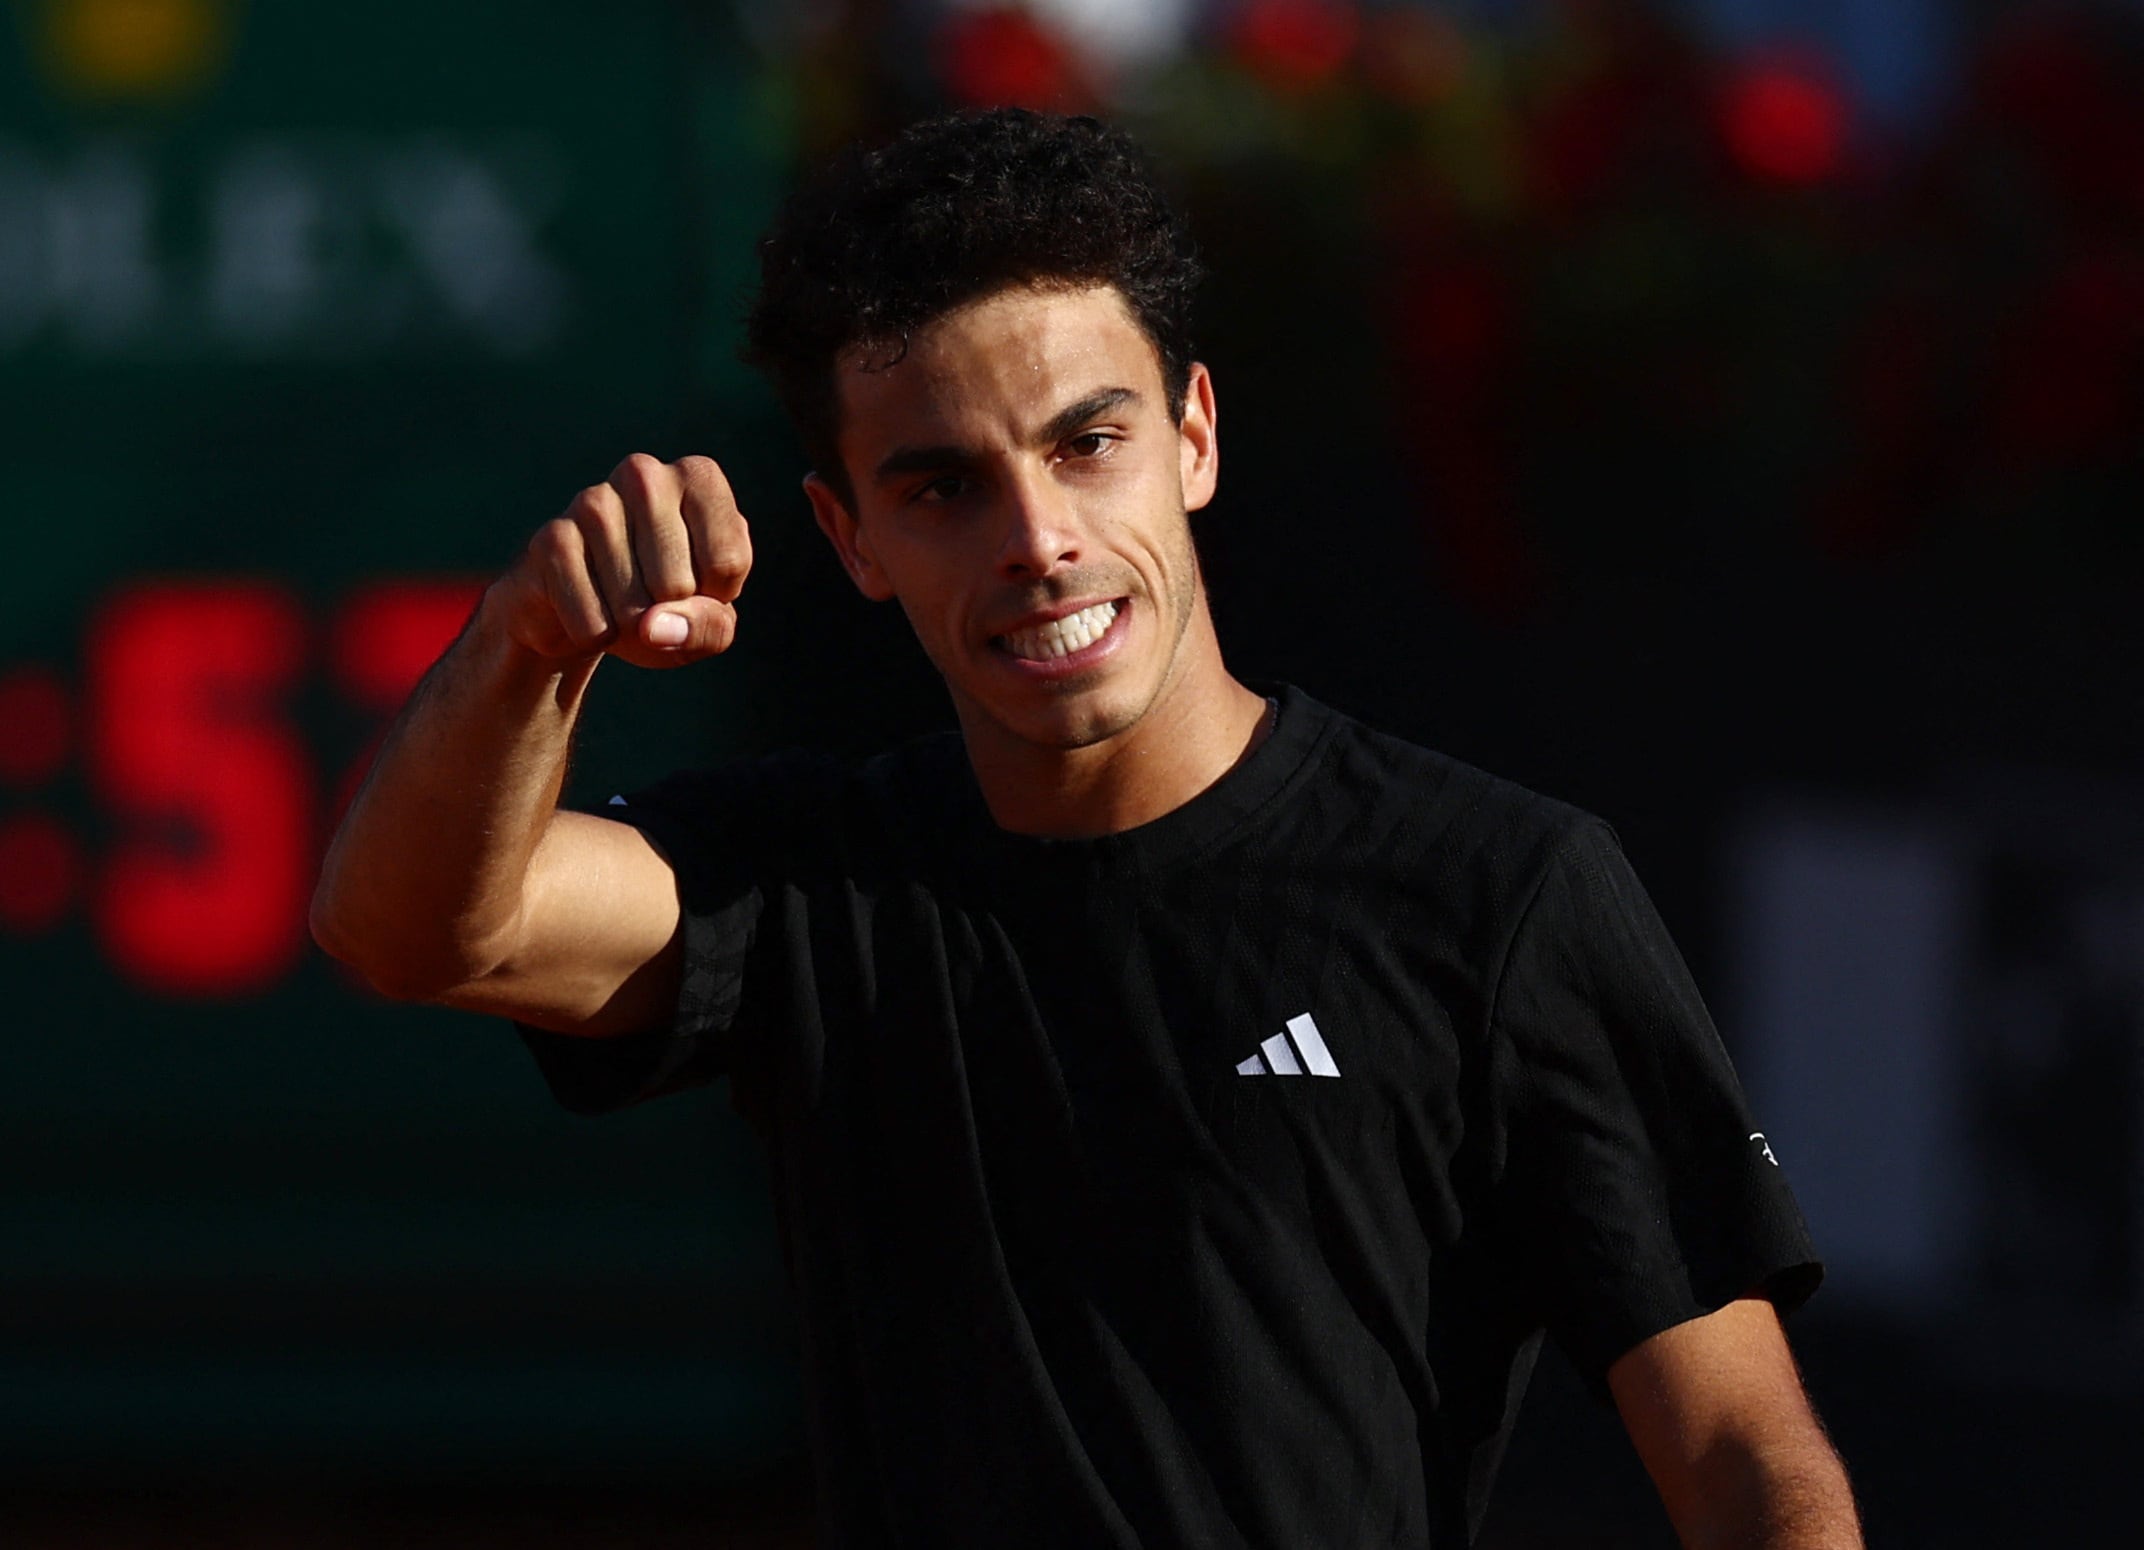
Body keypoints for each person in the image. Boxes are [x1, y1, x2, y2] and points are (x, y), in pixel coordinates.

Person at [312, 109, 1862, 1548]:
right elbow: (410, 930)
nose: (1039, 538)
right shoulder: (810, 882)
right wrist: (529, 644)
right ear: (850, 537)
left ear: (1194, 435)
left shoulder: (1495, 890)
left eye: (1086, 441)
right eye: (944, 488)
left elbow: (1749, 1454)